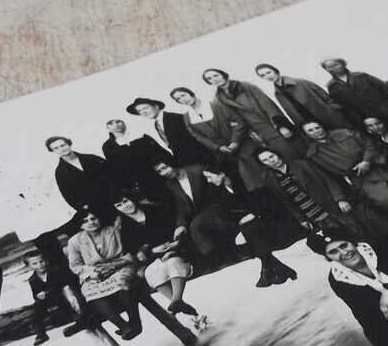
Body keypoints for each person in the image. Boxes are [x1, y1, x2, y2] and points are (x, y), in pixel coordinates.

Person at [152, 159, 297, 287]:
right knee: (209, 227)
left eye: (164, 168)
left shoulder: (199, 171)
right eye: (159, 171)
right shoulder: (173, 184)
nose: (163, 173)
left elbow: (250, 199)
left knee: (246, 230)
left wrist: (251, 214)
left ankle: (267, 268)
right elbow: (182, 207)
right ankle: (273, 266)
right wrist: (180, 225)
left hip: (232, 213)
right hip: (224, 214)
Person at [301, 122, 388, 240]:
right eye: (310, 130)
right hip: (363, 180)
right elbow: (329, 178)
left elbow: (369, 144)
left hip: (381, 167)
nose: (316, 131)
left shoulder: (345, 132)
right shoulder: (314, 155)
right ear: (306, 135)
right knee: (386, 200)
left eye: (317, 127)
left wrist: (366, 161)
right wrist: (340, 199)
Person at [256, 148, 388, 243]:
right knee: (345, 239)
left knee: (361, 230)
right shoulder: (271, 179)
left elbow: (328, 180)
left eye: (271, 156)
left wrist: (340, 199)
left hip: (331, 205)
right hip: (314, 215)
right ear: (264, 164)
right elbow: (287, 201)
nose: (271, 160)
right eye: (266, 160)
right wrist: (301, 219)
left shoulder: (302, 165)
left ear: (277, 154)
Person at [113, 192, 199, 316]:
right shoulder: (126, 228)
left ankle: (177, 300)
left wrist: (175, 244)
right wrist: (152, 251)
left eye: (126, 201)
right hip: (153, 259)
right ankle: (177, 302)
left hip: (177, 250)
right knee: (151, 272)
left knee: (173, 263)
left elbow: (175, 227)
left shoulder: (155, 210)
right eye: (119, 205)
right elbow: (134, 251)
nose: (125, 206)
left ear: (132, 199)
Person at [202, 68, 286, 191]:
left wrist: (280, 125)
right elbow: (232, 120)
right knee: (270, 169)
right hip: (251, 135)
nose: (214, 79)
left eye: (216, 75)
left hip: (268, 126)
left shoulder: (245, 86)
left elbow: (267, 104)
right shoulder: (218, 98)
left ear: (224, 75)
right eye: (209, 78)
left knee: (285, 157)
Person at [64, 211, 143, 339]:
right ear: (80, 226)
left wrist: (115, 265)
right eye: (85, 221)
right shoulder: (75, 241)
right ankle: (123, 326)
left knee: (121, 281)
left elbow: (129, 252)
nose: (91, 222)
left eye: (93, 218)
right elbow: (75, 265)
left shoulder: (114, 231)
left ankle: (135, 322)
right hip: (94, 273)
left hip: (119, 266)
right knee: (91, 292)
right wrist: (93, 273)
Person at [320, 57, 388, 130]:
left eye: (335, 64)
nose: (333, 68)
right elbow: (346, 107)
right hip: (372, 120)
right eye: (329, 67)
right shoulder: (332, 87)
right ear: (326, 70)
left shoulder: (361, 76)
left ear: (342, 64)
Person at [254, 63, 350, 129]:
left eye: (268, 72)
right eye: (263, 75)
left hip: (328, 117)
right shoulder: (278, 93)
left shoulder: (301, 82)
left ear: (275, 71)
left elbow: (326, 97)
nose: (268, 76)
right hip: (310, 124)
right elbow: (291, 113)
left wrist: (335, 112)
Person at [124, 97, 203, 167]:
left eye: (145, 108)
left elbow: (198, 139)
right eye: (140, 111)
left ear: (156, 106)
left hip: (200, 161)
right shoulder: (156, 124)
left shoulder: (176, 118)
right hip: (186, 165)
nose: (143, 112)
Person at [101, 118, 168, 200]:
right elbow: (116, 168)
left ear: (124, 123)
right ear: (108, 128)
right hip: (138, 184)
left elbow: (160, 152)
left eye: (118, 121)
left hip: (160, 175)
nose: (116, 125)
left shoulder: (141, 136)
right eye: (111, 123)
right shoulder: (108, 146)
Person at [46, 136, 114, 214]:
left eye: (63, 145)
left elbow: (113, 173)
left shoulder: (92, 158)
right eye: (56, 148)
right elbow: (69, 197)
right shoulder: (60, 172)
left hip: (117, 199)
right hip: (97, 208)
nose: (61, 149)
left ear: (69, 144)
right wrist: (87, 210)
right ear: (53, 151)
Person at [24, 253, 79, 345]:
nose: (40, 265)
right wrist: (38, 296)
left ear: (46, 261)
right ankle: (41, 334)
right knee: (36, 310)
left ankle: (79, 321)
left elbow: (62, 284)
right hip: (47, 300)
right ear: (29, 267)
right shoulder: (33, 279)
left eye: (41, 261)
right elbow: (35, 294)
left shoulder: (55, 271)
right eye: (35, 264)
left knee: (68, 302)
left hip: (61, 295)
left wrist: (46, 292)